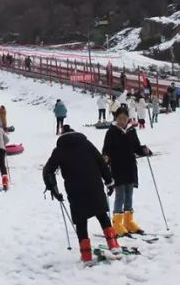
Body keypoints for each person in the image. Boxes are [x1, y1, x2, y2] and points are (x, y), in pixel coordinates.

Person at [43, 125, 121, 266]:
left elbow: (48, 170)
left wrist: (53, 189)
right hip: (94, 185)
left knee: (81, 221)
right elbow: (101, 162)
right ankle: (114, 245)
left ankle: (86, 256)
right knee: (102, 215)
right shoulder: (86, 144)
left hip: (75, 190)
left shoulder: (60, 149)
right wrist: (109, 182)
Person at [101, 105, 152, 236]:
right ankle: (117, 223)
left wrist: (144, 150)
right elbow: (106, 149)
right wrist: (106, 157)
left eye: (124, 118)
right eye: (120, 118)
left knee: (129, 194)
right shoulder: (111, 132)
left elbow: (136, 148)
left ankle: (128, 222)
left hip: (130, 167)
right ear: (116, 118)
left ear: (128, 119)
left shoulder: (131, 131)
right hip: (117, 168)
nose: (122, 121)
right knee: (120, 195)